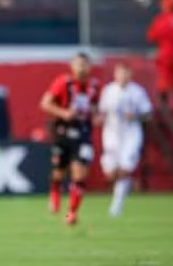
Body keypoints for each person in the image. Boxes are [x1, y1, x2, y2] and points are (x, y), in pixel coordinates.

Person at [40, 52, 101, 226]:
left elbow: (95, 108)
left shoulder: (95, 86)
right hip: (63, 133)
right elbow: (45, 103)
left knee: (79, 172)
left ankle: (72, 213)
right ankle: (55, 191)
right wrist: (64, 113)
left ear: (89, 67)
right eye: (78, 64)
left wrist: (97, 116)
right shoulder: (63, 83)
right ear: (72, 66)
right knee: (59, 172)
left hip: (83, 135)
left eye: (85, 64)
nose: (82, 68)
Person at [97, 63, 152, 217]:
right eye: (120, 73)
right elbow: (102, 112)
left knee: (124, 170)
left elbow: (148, 114)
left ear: (130, 75)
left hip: (131, 136)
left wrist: (136, 116)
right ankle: (130, 184)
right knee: (110, 174)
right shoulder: (109, 90)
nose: (122, 76)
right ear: (115, 75)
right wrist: (98, 118)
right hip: (111, 135)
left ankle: (116, 206)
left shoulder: (138, 92)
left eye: (125, 73)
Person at [146, 0, 173, 106]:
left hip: (165, 51)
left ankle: (163, 102)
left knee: (164, 76)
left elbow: (151, 36)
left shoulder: (161, 20)